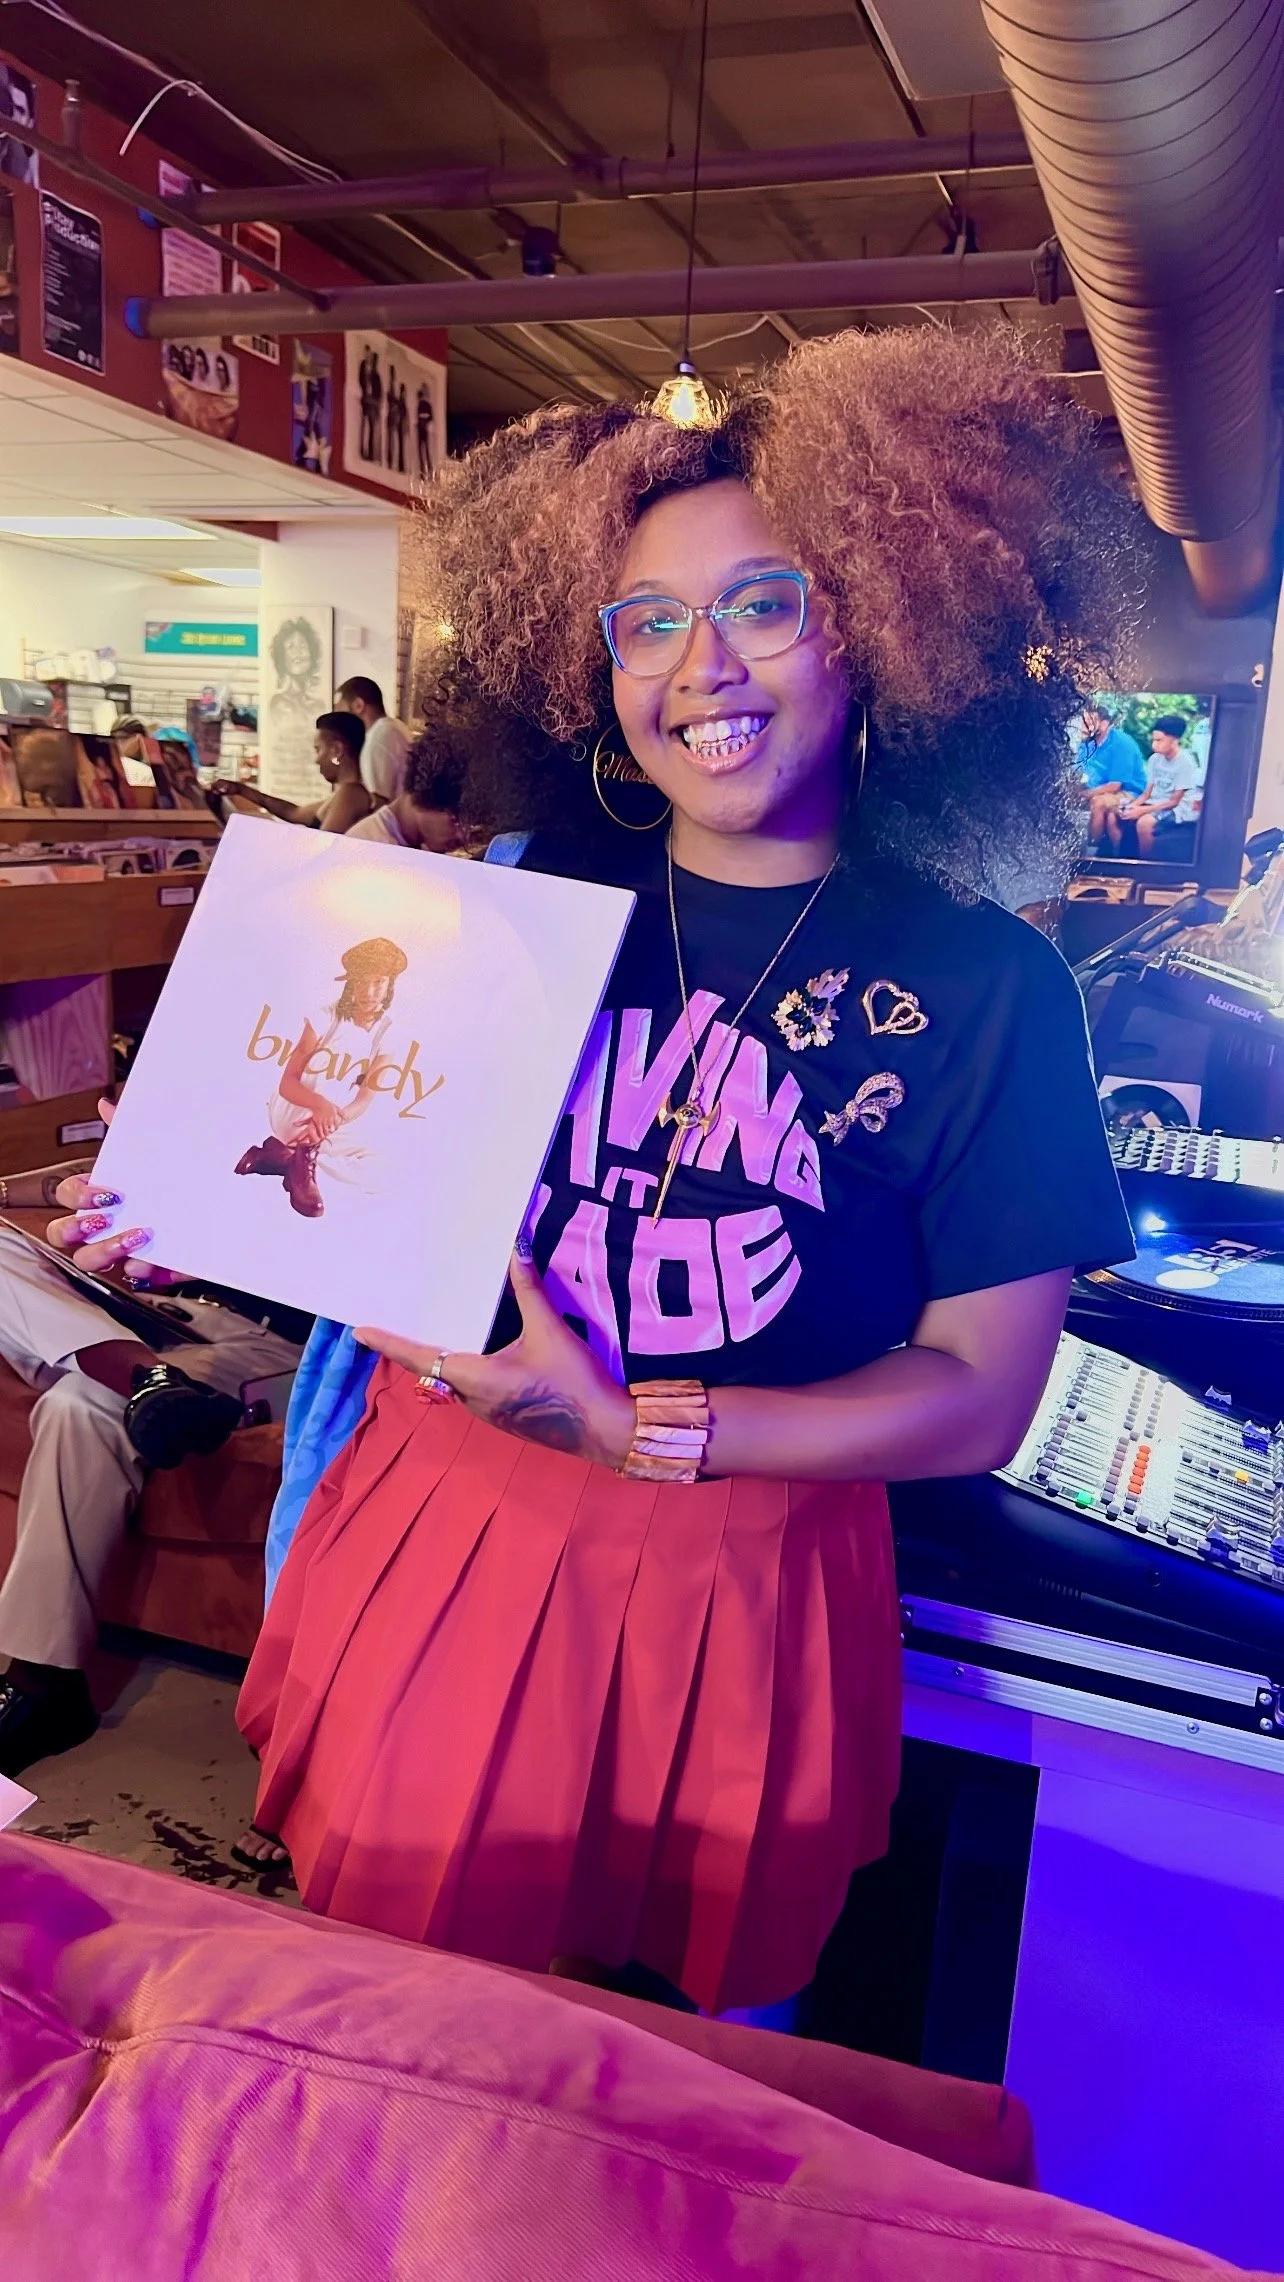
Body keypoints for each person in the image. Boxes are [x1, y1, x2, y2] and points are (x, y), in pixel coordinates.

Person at [70, 328, 1140, 2014]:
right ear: (589, 668)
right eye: (645, 619)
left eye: (761, 602)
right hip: (444, 1526)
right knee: (392, 2013)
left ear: (875, 620)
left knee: (670, 2059)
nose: (697, 665)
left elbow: (974, 1397)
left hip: (744, 1562)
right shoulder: (501, 893)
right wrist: (185, 1198)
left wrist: (639, 1427)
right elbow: (346, 1166)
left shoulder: (990, 989)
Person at [0, 1144, 300, 1778]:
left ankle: (40, 1682)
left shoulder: (328, 1151)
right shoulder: (195, 1122)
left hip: (268, 1334)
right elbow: (67, 1181)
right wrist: (58, 1192)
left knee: (77, 1405)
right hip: (150, 1318)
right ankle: (148, 1380)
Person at [234, 937, 409, 1219]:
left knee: (384, 1171)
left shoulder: (388, 1032)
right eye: (362, 981)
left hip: (331, 1121)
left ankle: (286, 1159)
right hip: (295, 1109)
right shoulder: (326, 1018)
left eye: (379, 982)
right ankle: (303, 1166)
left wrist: (330, 1119)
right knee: (325, 1073)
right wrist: (320, 1107)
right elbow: (288, 1082)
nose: (369, 991)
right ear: (351, 982)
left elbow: (364, 1099)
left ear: (390, 985)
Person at [211, 712, 371, 834]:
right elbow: (294, 813)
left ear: (337, 750)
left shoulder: (351, 794)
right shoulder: (344, 794)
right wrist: (240, 789)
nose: (317, 760)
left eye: (318, 749)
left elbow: (324, 848)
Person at [1111, 713, 1201, 858]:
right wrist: (1134, 805)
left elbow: (1174, 802)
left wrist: (1142, 811)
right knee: (1116, 815)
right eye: (1154, 740)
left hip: (1178, 809)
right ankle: (1121, 858)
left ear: (1175, 740)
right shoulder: (1154, 759)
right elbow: (1147, 793)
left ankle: (1145, 865)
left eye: (1159, 740)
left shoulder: (1186, 762)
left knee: (1144, 823)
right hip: (1156, 802)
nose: (1155, 745)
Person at [1074, 700, 1146, 848]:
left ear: (1105, 724)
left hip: (1128, 791)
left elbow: (1115, 786)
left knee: (1098, 802)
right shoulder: (1086, 742)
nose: (1085, 726)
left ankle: (1092, 852)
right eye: (1084, 721)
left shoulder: (1122, 744)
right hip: (1096, 788)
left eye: (1090, 722)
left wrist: (1085, 794)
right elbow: (1079, 771)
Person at [335, 675, 410, 801]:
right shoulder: (393, 728)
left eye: (340, 712)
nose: (339, 722)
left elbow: (377, 805)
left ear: (358, 706)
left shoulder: (378, 739)